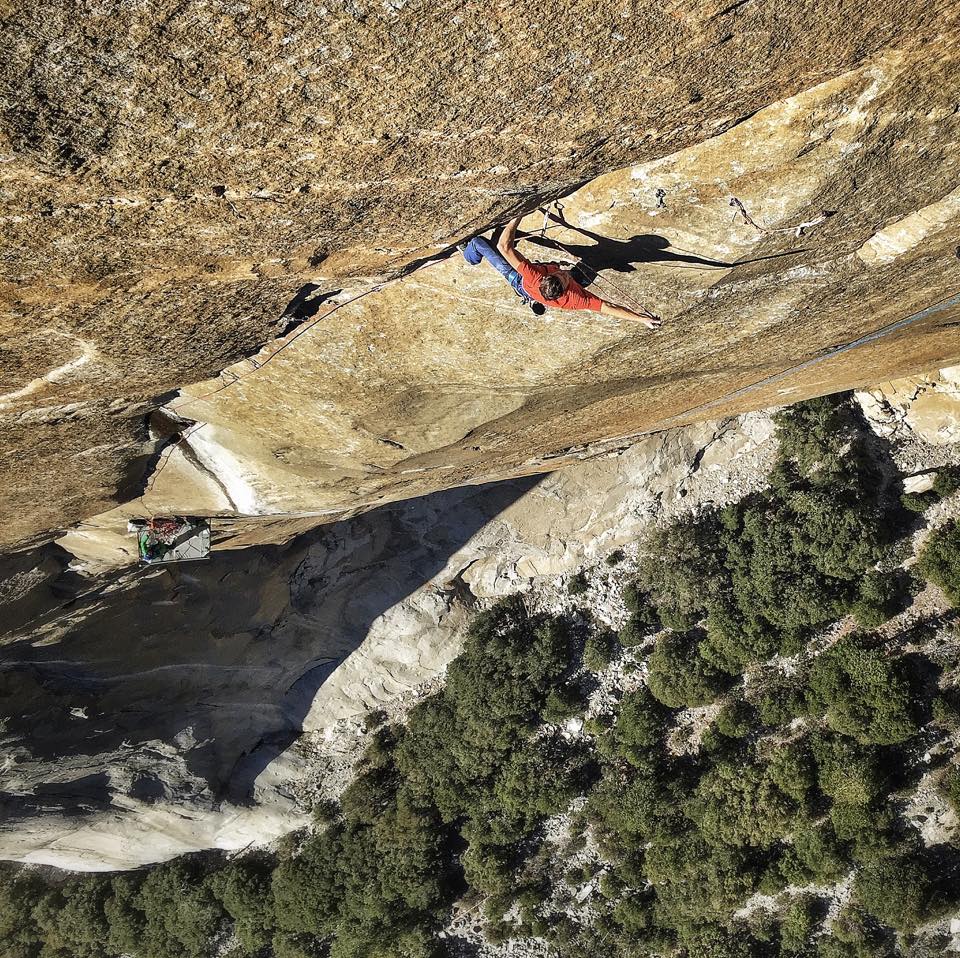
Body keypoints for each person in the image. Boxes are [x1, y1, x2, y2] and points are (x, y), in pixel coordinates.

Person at [459, 214, 662, 328]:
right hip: (539, 289)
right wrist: (641, 319)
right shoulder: (575, 297)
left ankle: (469, 257)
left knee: (478, 243)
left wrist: (518, 215)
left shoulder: (534, 276)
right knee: (585, 272)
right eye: (564, 276)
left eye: (562, 276)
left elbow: (505, 247)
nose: (565, 273)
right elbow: (608, 307)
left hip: (518, 281)